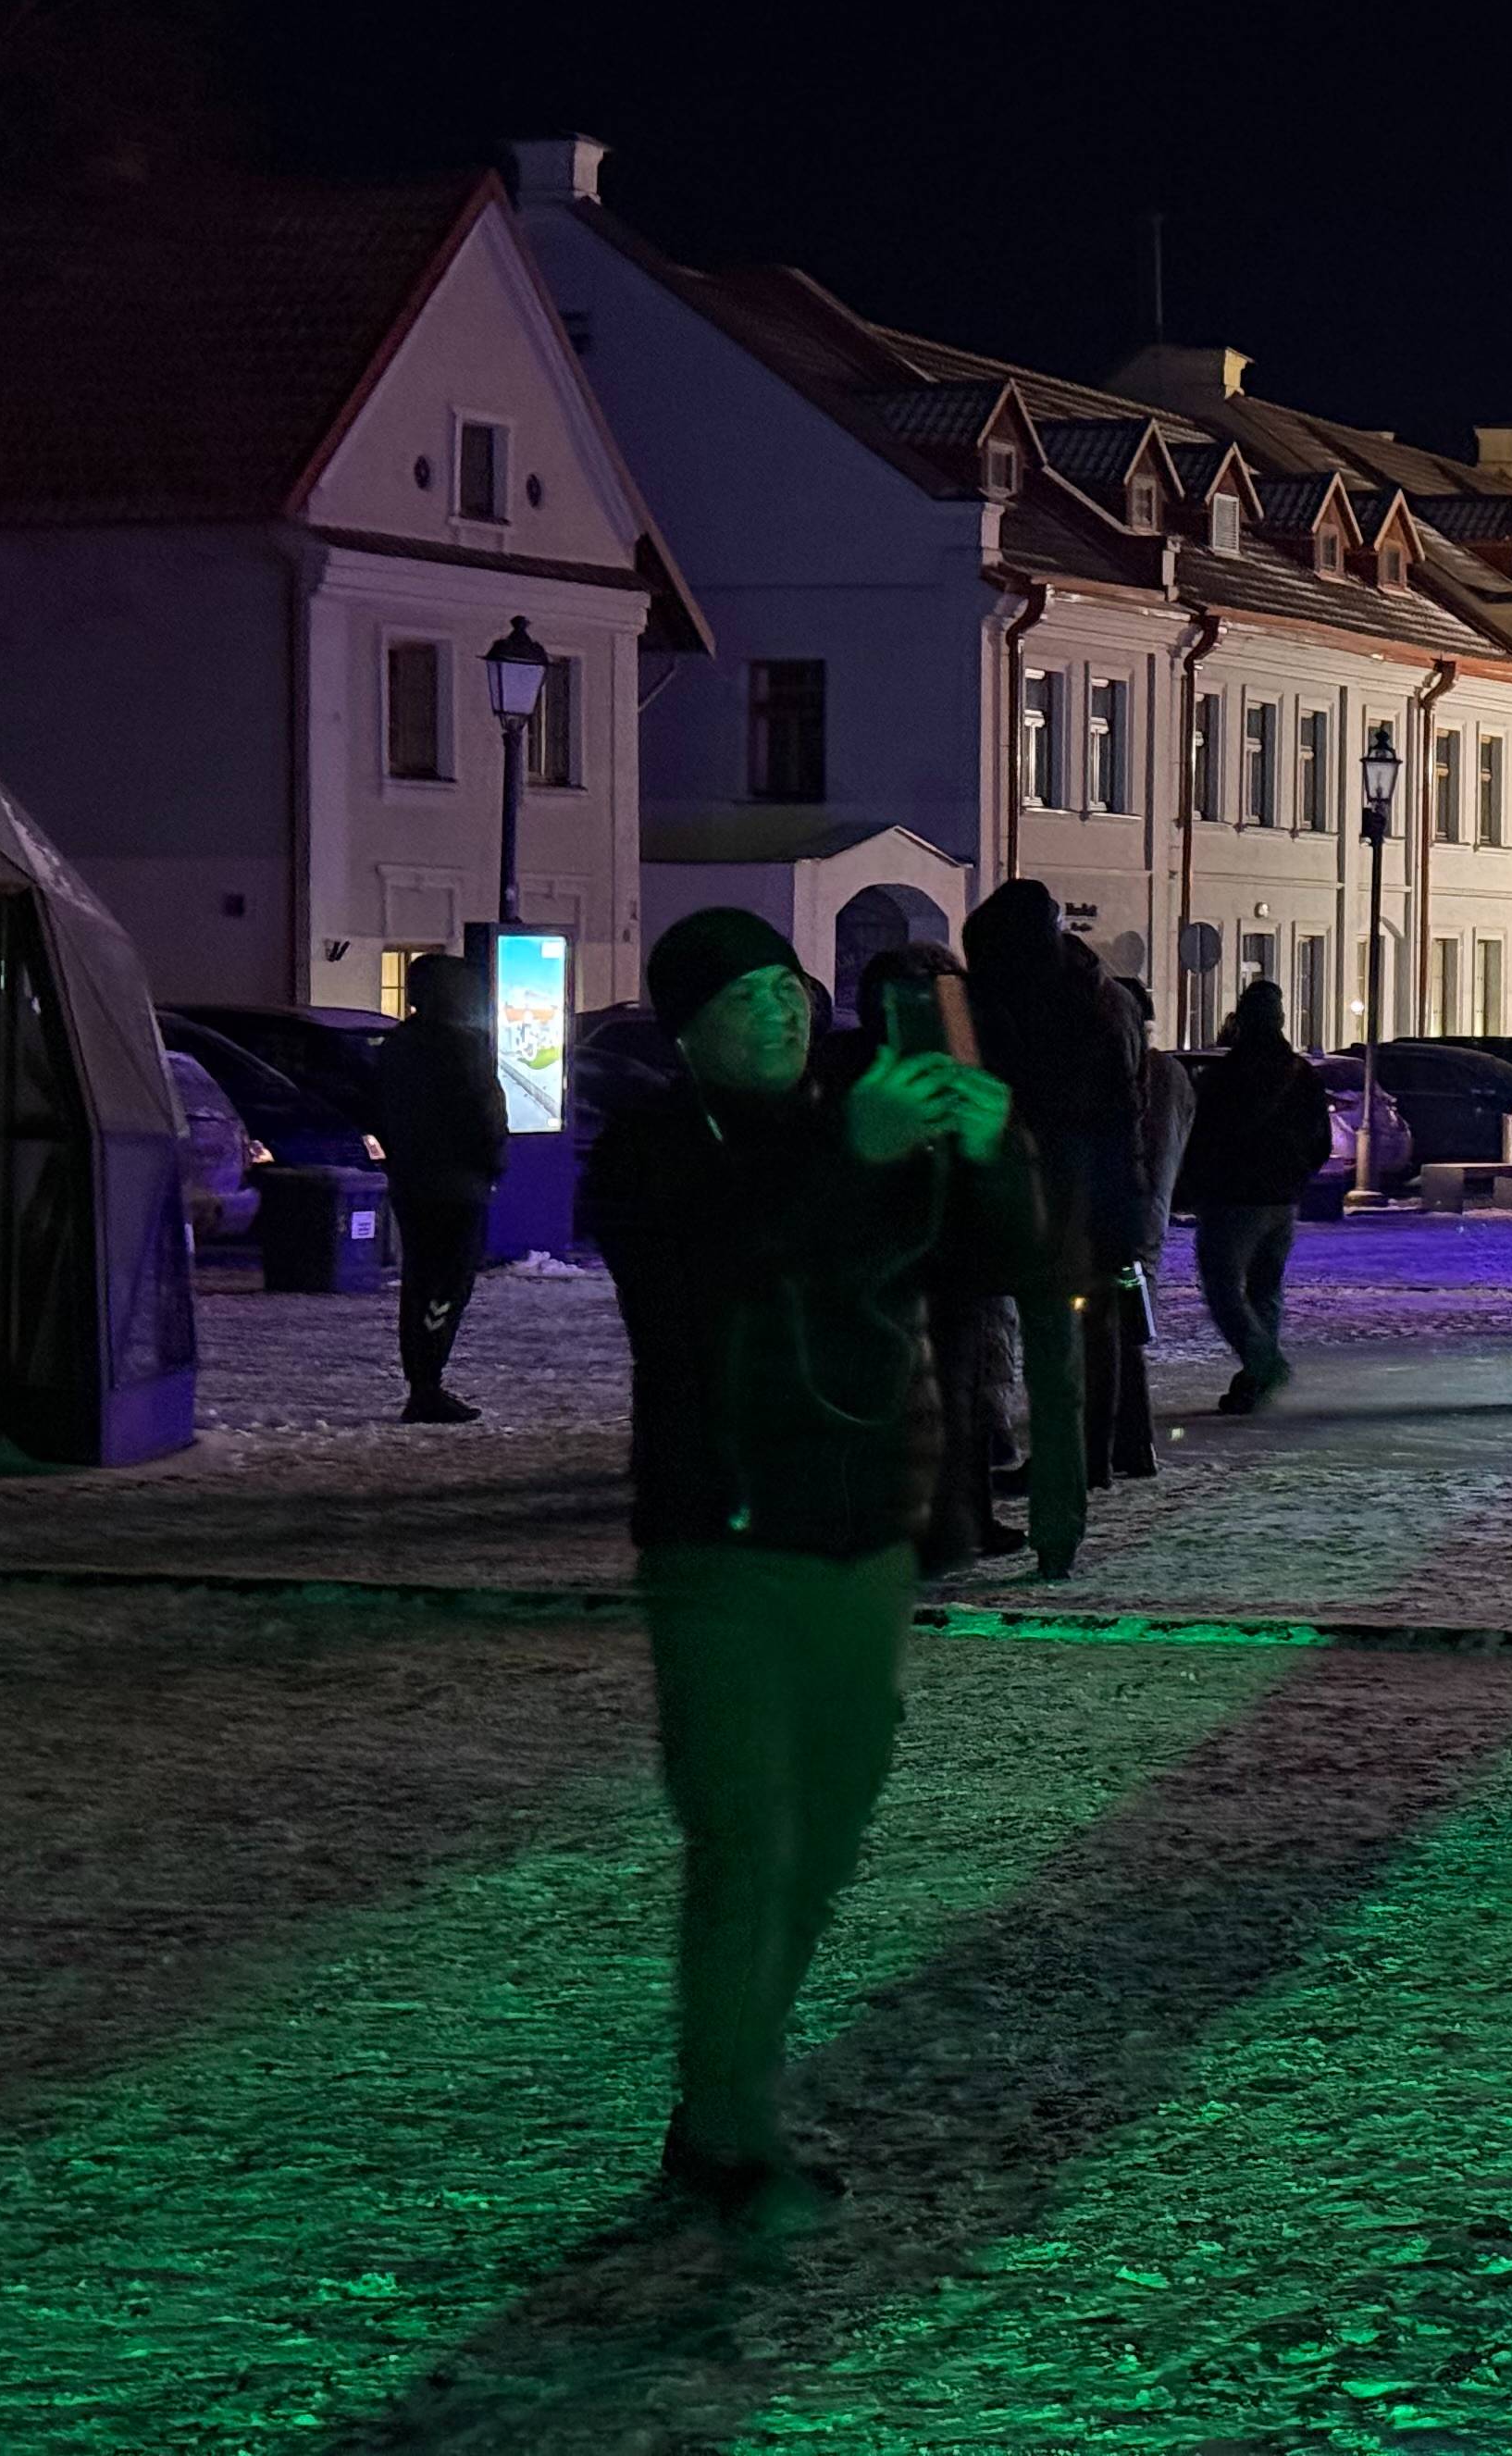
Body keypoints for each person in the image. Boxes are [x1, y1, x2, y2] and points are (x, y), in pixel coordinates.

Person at [581, 906, 1038, 2231]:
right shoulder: (655, 1148)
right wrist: (854, 1155)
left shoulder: (862, 1118)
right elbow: (720, 1271)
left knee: (823, 1842)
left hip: (863, 1534)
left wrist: (992, 1151)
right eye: (743, 1001)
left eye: (787, 989)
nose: (779, 1015)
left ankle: (723, 2094)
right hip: (721, 1541)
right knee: (747, 1836)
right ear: (688, 1033)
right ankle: (730, 2132)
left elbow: (1005, 1264)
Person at [961, 884, 1146, 1571]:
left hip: (1035, 1206)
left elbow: (1117, 1125)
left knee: (1017, 1365)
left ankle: (1047, 1525)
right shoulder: (1096, 1002)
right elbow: (1123, 1126)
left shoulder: (1021, 1003)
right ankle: (1053, 1528)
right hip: (1048, 1208)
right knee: (1052, 1371)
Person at [853, 940, 1021, 1576]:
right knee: (928, 1398)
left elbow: (1004, 1183)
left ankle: (958, 1519)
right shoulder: (869, 1079)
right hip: (905, 1273)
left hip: (957, 1267)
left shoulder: (968, 1068)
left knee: (962, 1397)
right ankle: (932, 1524)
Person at [1181, 976, 1334, 1412]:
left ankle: (1263, 1363)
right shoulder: (1301, 1074)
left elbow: (1203, 1137)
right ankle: (1255, 1380)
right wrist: (1297, 1177)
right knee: (1265, 1290)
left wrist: (1197, 1185)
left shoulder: (1226, 1077)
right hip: (1282, 1200)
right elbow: (1320, 1141)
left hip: (1233, 1197)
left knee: (1223, 1289)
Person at [374, 951, 507, 1424]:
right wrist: (493, 1163)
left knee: (421, 1280)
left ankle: (422, 1378)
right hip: (458, 1186)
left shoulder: (398, 1046)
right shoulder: (462, 1047)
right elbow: (483, 1114)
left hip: (413, 1181)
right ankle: (428, 1383)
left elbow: (378, 1109)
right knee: (447, 1284)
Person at [1109, 976, 1197, 1485]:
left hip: (1125, 1219)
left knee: (1116, 1332)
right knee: (1127, 1328)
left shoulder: (1143, 1072)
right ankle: (1130, 1443)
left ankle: (1127, 1443)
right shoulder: (1172, 1075)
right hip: (1150, 1218)